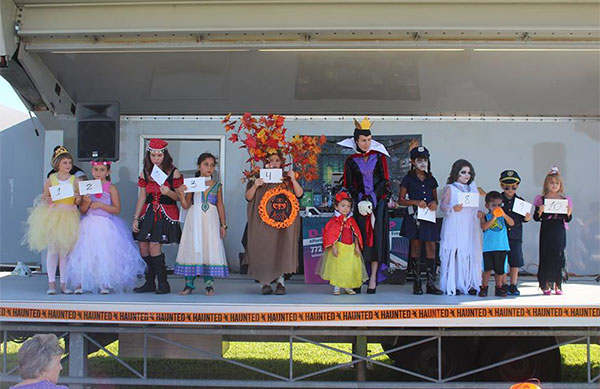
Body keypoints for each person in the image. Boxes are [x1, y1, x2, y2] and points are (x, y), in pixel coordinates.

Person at [65, 159, 146, 294]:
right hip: (88, 224)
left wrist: (101, 205)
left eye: (102, 170)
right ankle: (80, 283)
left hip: (105, 224)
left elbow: (117, 209)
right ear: (92, 171)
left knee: (104, 253)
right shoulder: (87, 186)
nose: (98, 173)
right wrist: (86, 201)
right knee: (85, 254)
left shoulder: (111, 187)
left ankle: (104, 283)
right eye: (96, 170)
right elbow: (83, 210)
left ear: (108, 172)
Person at [339, 117, 391, 294]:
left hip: (378, 206)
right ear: (356, 141)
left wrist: (373, 199)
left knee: (376, 242)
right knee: (359, 242)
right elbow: (349, 184)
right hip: (360, 207)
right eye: (363, 140)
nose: (366, 143)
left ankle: (373, 279)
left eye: (369, 140)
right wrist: (360, 198)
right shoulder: (350, 161)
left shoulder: (379, 157)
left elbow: (385, 181)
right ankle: (358, 277)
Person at [244, 151, 303, 295]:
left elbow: (299, 194)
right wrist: (256, 185)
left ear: (281, 162)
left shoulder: (286, 180)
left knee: (280, 249)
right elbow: (248, 197)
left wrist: (293, 179)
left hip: (283, 222)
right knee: (265, 249)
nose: (274, 163)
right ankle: (265, 282)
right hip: (262, 223)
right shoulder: (257, 178)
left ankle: (280, 281)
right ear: (265, 162)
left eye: (277, 160)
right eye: (271, 160)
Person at [24, 147, 81, 295]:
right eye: (64, 163)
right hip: (55, 216)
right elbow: (45, 197)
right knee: (53, 250)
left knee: (65, 252)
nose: (68, 165)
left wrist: (78, 197)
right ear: (57, 165)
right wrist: (47, 200)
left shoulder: (75, 180)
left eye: (69, 162)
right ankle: (51, 284)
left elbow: (79, 198)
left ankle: (63, 284)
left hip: (69, 216)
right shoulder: (51, 179)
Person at [132, 139, 183, 294]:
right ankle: (149, 282)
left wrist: (169, 192)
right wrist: (136, 218)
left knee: (154, 246)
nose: (156, 158)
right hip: (147, 212)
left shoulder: (174, 172)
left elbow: (180, 197)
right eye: (153, 155)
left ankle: (163, 283)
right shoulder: (145, 173)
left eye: (159, 155)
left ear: (164, 155)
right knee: (143, 247)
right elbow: (141, 197)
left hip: (165, 212)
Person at [174, 153, 229, 296]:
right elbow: (186, 205)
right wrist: (181, 194)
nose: (209, 168)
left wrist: (223, 224)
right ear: (199, 166)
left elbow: (220, 205)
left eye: (212, 165)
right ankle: (189, 284)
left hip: (210, 221)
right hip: (194, 220)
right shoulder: (193, 183)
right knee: (192, 248)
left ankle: (209, 285)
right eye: (206, 164)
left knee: (208, 248)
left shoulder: (217, 186)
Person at [398, 146, 442, 295]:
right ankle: (417, 283)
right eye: (419, 160)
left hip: (428, 217)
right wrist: (416, 202)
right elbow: (401, 200)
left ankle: (430, 283)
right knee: (415, 246)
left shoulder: (431, 179)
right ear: (412, 161)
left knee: (431, 246)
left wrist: (435, 203)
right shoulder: (408, 179)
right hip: (414, 217)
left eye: (425, 160)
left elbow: (435, 198)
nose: (422, 163)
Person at [439, 159, 483, 296]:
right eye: (463, 172)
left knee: (470, 253)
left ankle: (470, 283)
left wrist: (480, 213)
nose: (466, 175)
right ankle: (455, 284)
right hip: (455, 224)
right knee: (455, 254)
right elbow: (443, 206)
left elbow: (476, 207)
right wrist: (453, 208)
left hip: (470, 225)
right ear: (456, 173)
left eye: (469, 173)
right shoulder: (450, 188)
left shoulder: (473, 188)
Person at [316, 191, 368, 295]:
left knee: (349, 268)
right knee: (338, 268)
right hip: (339, 248)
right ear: (336, 207)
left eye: (348, 206)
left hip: (350, 248)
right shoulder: (334, 221)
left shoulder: (351, 220)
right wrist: (334, 247)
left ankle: (348, 286)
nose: (345, 208)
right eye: (343, 205)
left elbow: (356, 234)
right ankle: (337, 286)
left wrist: (357, 246)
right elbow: (331, 235)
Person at [533, 167, 573, 295]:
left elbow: (568, 219)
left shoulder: (565, 199)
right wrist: (540, 211)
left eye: (557, 183)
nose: (554, 185)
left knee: (559, 255)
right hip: (546, 229)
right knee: (546, 254)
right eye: (552, 183)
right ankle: (545, 283)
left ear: (560, 185)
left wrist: (569, 212)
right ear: (546, 184)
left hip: (559, 229)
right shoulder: (541, 199)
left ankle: (558, 283)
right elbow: (536, 218)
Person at [499, 170, 531, 296]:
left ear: (517, 186)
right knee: (501, 261)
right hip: (500, 236)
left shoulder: (520, 201)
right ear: (502, 185)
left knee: (515, 261)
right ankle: (503, 284)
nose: (510, 189)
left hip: (515, 236)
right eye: (507, 187)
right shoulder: (498, 199)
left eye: (513, 186)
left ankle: (513, 284)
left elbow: (522, 219)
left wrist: (527, 218)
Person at [479, 191, 514, 297]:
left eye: (499, 205)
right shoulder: (485, 217)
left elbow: (512, 223)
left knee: (500, 270)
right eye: (494, 205)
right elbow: (484, 227)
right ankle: (484, 287)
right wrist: (493, 217)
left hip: (501, 247)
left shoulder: (503, 217)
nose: (496, 207)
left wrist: (503, 214)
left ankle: (499, 287)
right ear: (487, 206)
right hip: (488, 248)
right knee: (487, 269)